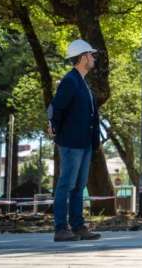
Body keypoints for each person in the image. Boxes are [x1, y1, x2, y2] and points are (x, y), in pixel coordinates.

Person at [48, 39, 102, 242]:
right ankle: (61, 228)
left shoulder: (82, 81)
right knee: (66, 185)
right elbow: (57, 107)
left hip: (84, 143)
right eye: (91, 55)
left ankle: (78, 226)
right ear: (83, 57)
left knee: (79, 187)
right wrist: (54, 127)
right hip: (71, 143)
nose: (93, 58)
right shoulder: (70, 80)